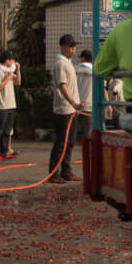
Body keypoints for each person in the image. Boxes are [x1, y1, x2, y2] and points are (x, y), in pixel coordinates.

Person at [49, 34, 83, 183]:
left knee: (70, 142)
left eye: (74, 47)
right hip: (64, 109)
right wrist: (73, 102)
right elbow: (62, 86)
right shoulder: (61, 64)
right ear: (63, 47)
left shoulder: (68, 63)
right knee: (61, 142)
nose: (74, 49)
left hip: (71, 109)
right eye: (71, 47)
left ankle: (66, 171)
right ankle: (54, 173)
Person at [0, 51, 21, 161]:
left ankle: (5, 151)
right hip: (1, 105)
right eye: (11, 60)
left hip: (10, 104)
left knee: (7, 130)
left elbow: (18, 82)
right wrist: (8, 77)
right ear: (7, 60)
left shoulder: (9, 71)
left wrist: (17, 70)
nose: (13, 62)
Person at [75, 48, 94, 140]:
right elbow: (103, 88)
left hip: (75, 104)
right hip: (89, 105)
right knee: (88, 131)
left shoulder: (74, 69)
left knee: (72, 130)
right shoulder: (96, 72)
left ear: (82, 58)